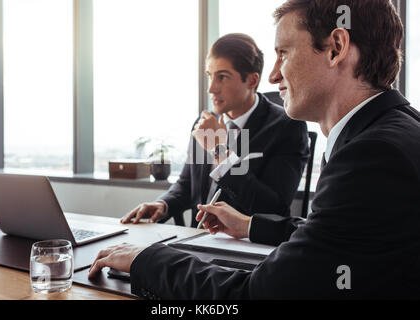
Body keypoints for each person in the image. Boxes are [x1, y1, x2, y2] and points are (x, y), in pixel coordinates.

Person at [89, 0, 420, 299]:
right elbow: (331, 231)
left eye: (284, 53)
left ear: (336, 48)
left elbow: (259, 294)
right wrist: (248, 225)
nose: (275, 75)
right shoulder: (392, 130)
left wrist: (149, 259)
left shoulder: (370, 154)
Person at [121, 33, 309, 227]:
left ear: (252, 81)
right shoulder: (204, 124)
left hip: (248, 245)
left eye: (222, 77)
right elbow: (187, 185)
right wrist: (163, 204)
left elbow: (273, 207)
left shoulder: (287, 127)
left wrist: (219, 151)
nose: (211, 88)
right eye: (210, 76)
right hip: (197, 238)